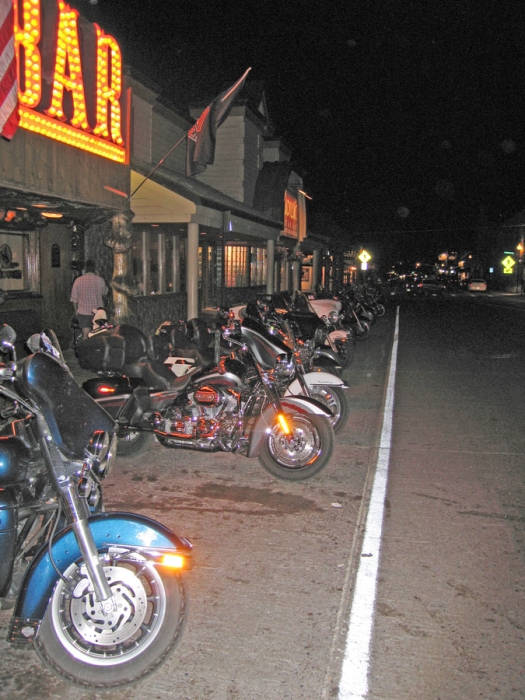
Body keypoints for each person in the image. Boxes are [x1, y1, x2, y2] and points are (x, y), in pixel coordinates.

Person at [70, 260, 108, 339]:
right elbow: (105, 292)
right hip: (98, 312)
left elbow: (74, 299)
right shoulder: (100, 280)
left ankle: (86, 351)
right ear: (94, 269)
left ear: (85, 269)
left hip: (83, 312)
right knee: (97, 335)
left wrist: (76, 311)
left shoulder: (78, 280)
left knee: (85, 335)